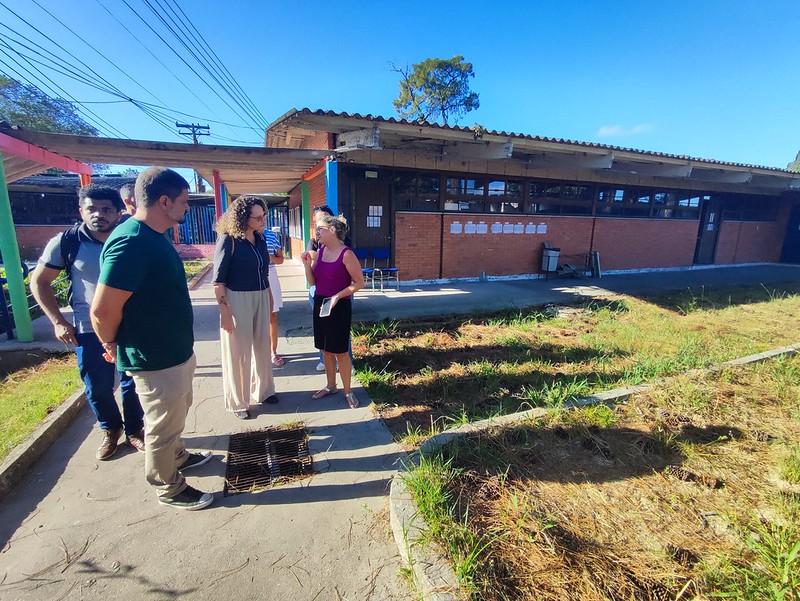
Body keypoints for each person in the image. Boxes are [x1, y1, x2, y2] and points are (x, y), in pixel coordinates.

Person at [90, 167, 213, 511]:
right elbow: (102, 309)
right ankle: (168, 486)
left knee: (176, 413)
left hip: (174, 351)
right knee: (161, 424)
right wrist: (110, 343)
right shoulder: (131, 241)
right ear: (164, 201)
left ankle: (178, 456)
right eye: (185, 202)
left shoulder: (155, 234)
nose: (188, 208)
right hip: (153, 355)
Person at [31, 184, 144, 461]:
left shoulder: (132, 238)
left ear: (119, 213)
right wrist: (58, 321)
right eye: (92, 208)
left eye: (106, 209)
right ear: (81, 211)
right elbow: (40, 281)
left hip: (132, 327)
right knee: (97, 386)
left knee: (134, 383)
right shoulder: (67, 242)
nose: (99, 215)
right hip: (88, 328)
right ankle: (110, 430)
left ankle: (134, 431)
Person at [212, 196, 279, 420]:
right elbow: (218, 281)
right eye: (258, 217)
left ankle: (264, 390)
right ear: (243, 218)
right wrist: (225, 313)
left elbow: (264, 270)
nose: (263, 220)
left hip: (260, 294)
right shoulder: (228, 240)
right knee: (238, 351)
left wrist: (268, 296)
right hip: (236, 298)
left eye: (264, 216)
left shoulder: (260, 238)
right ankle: (238, 401)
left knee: (262, 344)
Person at [301, 213, 364, 408]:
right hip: (321, 303)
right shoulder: (320, 251)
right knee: (325, 349)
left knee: (341, 352)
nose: (316, 232)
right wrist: (306, 265)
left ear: (332, 230)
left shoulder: (347, 254)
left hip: (339, 306)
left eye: (320, 228)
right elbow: (313, 282)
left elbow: (359, 283)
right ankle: (330, 386)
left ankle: (348, 391)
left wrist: (338, 295)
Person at [262, 224, 285, 367]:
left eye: (263, 216)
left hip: (270, 274)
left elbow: (280, 259)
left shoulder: (271, 235)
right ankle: (258, 351)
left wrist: (268, 257)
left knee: (272, 315)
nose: (261, 219)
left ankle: (273, 351)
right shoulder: (243, 234)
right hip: (251, 276)